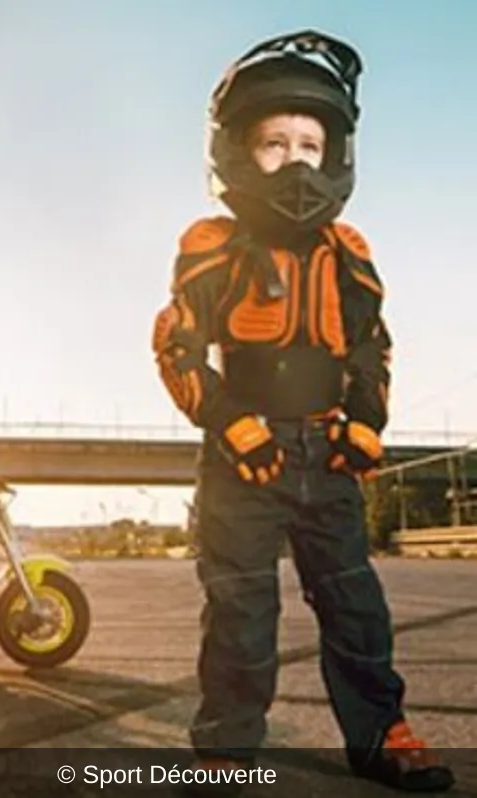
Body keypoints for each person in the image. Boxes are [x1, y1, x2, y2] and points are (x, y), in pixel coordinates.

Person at [151, 30, 455, 793]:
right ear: (235, 152)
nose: (294, 161)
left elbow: (370, 347)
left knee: (355, 604)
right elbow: (177, 347)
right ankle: (225, 750)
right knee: (240, 610)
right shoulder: (212, 244)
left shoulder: (347, 249)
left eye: (310, 145)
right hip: (240, 457)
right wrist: (229, 422)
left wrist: (365, 421)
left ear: (336, 154)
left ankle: (382, 733)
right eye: (274, 144)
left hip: (329, 452)